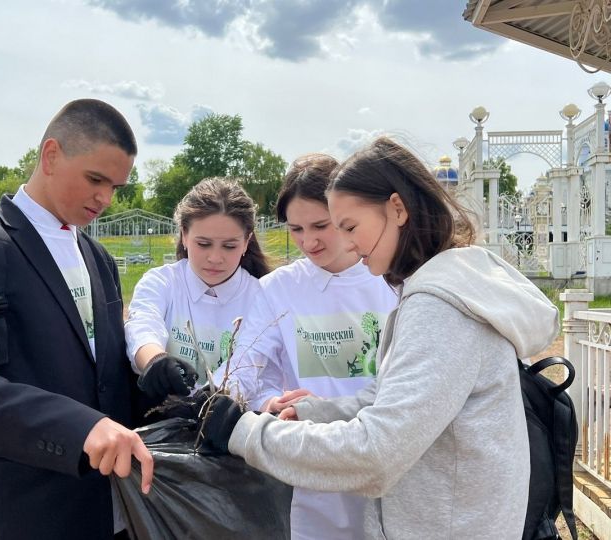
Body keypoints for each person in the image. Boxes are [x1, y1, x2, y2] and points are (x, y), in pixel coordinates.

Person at [202, 137, 559, 539]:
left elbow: (376, 455)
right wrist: (312, 413)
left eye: (347, 227)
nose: (346, 243)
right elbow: (385, 397)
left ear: (397, 208)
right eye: (299, 229)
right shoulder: (443, 285)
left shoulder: (440, 308)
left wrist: (245, 433)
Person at [0, 99, 153, 540]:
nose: (106, 199)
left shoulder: (99, 259)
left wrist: (160, 382)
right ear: (51, 155)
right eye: (96, 179)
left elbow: (103, 378)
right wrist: (76, 427)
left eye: (116, 187)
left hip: (114, 512)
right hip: (29, 511)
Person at [212, 154, 398, 539]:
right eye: (295, 228)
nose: (308, 241)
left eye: (321, 225)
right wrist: (267, 403)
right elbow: (245, 368)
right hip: (310, 472)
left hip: (387, 461)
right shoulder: (278, 289)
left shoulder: (391, 280)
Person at [125, 177, 271, 403]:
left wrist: (211, 403)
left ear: (246, 242)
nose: (215, 258)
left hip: (231, 423)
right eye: (203, 244)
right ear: (184, 235)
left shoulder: (261, 296)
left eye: (229, 246)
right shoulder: (161, 282)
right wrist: (156, 361)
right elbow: (143, 326)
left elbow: (250, 366)